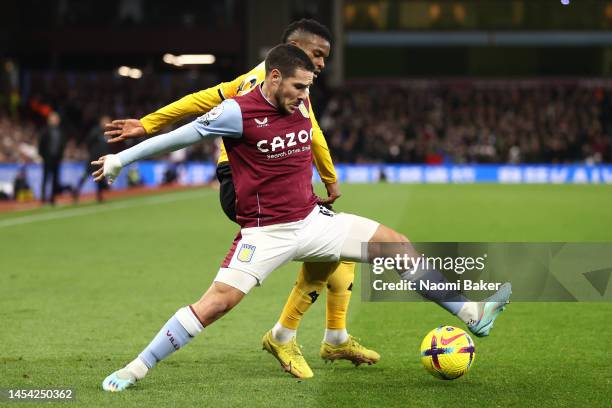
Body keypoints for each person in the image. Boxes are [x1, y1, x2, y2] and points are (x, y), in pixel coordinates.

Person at [94, 44, 511, 392]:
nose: (303, 95)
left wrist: (329, 178)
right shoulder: (236, 113)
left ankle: (472, 315)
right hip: (266, 233)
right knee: (218, 303)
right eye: (297, 86)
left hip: (314, 221)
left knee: (396, 244)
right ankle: (137, 367)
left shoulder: (301, 96)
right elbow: (176, 138)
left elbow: (316, 139)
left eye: (308, 87)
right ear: (273, 77)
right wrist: (120, 159)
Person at [103, 19, 378, 378]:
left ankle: (330, 336)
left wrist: (150, 122)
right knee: (322, 246)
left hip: (257, 178)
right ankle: (289, 335)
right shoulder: (264, 86)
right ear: (292, 48)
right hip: (245, 179)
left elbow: (202, 98)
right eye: (317, 54)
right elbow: (309, 134)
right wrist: (329, 179)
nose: (322, 64)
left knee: (339, 249)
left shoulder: (289, 83)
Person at [73, 115, 110, 203]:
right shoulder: (96, 131)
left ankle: (99, 196)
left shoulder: (107, 133)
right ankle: (76, 192)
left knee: (100, 178)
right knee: (86, 175)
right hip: (93, 159)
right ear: (101, 122)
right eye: (105, 121)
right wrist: (92, 153)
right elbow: (88, 142)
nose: (107, 123)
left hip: (101, 160)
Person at [38, 111, 66, 204]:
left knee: (55, 179)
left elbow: (62, 145)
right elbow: (41, 144)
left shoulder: (60, 131)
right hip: (47, 158)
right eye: (54, 118)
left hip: (57, 159)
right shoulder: (45, 130)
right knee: (46, 178)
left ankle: (52, 199)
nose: (56, 120)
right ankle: (43, 199)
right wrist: (42, 155)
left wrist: (61, 156)